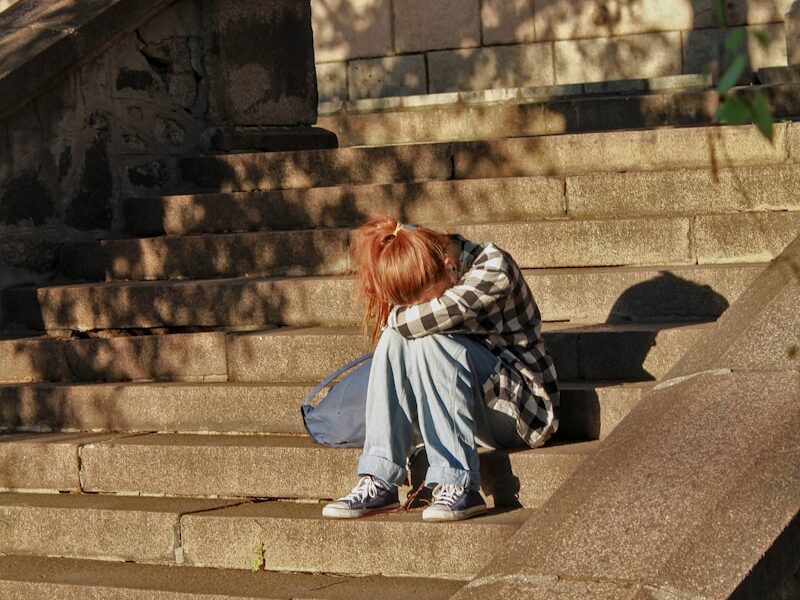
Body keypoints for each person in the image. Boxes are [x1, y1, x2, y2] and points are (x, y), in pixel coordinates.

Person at [322, 214, 559, 521]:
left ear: (449, 265)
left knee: (424, 337)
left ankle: (458, 484)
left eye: (424, 300)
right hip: (469, 412)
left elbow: (407, 322)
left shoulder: (492, 267)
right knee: (401, 339)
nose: (418, 307)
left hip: (522, 412)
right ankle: (379, 477)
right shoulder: (430, 269)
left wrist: (398, 316)